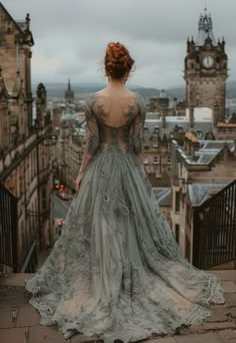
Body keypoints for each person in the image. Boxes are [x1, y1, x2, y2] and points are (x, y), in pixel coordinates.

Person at [25, 42, 224, 343]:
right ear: (128, 69)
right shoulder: (137, 102)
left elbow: (92, 145)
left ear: (106, 68)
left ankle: (105, 280)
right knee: (131, 226)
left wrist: (81, 174)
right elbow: (137, 145)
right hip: (127, 168)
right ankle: (127, 280)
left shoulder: (94, 100)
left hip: (101, 169)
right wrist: (138, 172)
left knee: (102, 226)